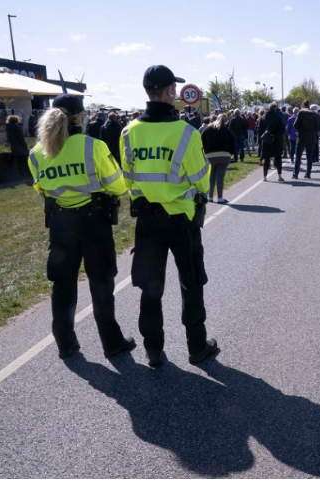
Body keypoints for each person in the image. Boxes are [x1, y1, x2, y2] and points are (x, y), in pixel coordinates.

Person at [120, 65, 218, 367]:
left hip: (147, 221)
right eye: (173, 88)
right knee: (191, 284)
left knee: (150, 288)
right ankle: (196, 347)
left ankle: (153, 350)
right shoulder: (186, 132)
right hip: (182, 221)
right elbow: (201, 178)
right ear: (169, 91)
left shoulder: (128, 131)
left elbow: (128, 178)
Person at [28, 93, 135, 360]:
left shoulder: (37, 153)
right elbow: (118, 185)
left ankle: (65, 344)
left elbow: (41, 188)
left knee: (63, 285)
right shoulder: (93, 146)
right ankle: (112, 343)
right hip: (93, 222)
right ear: (79, 118)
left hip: (61, 223)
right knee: (101, 283)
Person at [201, 113, 235, 203]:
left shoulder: (207, 129)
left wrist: (204, 152)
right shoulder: (227, 130)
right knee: (220, 176)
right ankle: (220, 198)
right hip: (225, 155)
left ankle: (210, 197)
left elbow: (201, 140)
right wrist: (230, 153)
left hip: (210, 155)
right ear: (225, 121)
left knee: (211, 177)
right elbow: (233, 142)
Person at [293, 99, 319, 180]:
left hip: (302, 136)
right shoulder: (314, 114)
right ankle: (308, 173)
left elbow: (295, 125)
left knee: (298, 156)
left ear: (303, 105)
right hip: (311, 137)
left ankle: (296, 173)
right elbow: (317, 126)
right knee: (309, 157)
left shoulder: (301, 113)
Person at [260, 102, 286, 182]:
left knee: (266, 159)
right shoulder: (277, 118)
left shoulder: (263, 117)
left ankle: (264, 177)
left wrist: (263, 137)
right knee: (278, 158)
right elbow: (282, 129)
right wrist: (275, 136)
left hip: (266, 141)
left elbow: (259, 129)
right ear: (275, 109)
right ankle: (279, 176)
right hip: (276, 141)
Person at [6, 115, 31, 181]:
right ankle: (29, 175)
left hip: (14, 148)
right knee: (26, 163)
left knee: (19, 164)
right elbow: (21, 138)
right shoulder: (16, 128)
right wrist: (25, 145)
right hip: (21, 148)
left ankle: (23, 177)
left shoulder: (8, 129)